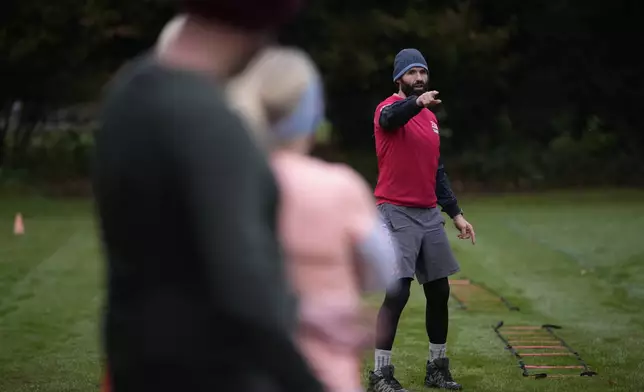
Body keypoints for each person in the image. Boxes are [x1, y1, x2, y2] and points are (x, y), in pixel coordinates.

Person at [92, 1, 324, 391]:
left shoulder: (128, 93)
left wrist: (302, 313)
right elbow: (244, 294)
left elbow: (180, 263)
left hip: (138, 365)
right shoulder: (211, 124)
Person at [227, 47, 398, 392]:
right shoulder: (340, 186)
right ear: (314, 113)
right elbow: (383, 270)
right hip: (326, 375)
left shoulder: (222, 185)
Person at [366, 48, 476, 392]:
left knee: (439, 291)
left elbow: (436, 171)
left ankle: (437, 368)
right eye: (412, 73)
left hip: (429, 213)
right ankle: (380, 374)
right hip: (395, 209)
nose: (419, 79)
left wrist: (456, 214)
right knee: (397, 292)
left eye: (423, 73)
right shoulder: (389, 108)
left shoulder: (430, 119)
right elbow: (390, 120)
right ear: (399, 78)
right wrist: (416, 103)